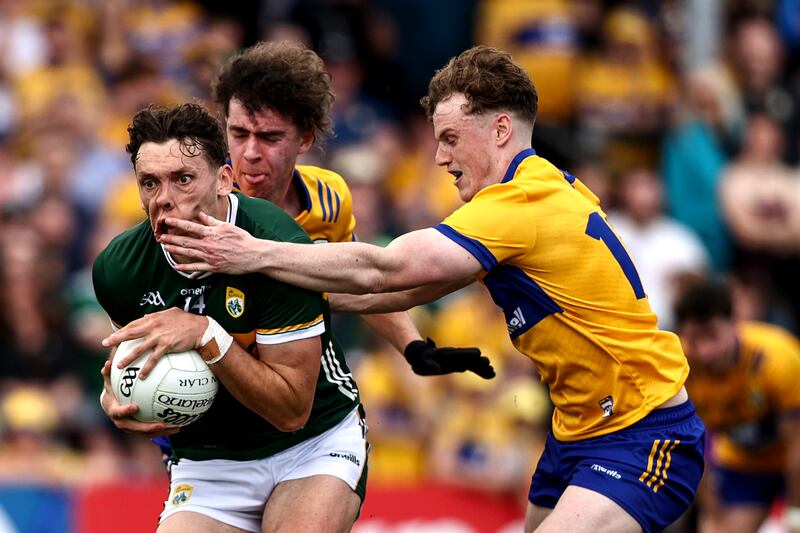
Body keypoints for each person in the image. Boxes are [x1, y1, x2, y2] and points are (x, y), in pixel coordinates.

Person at [160, 45, 705, 532]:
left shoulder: (516, 206)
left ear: (498, 131)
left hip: (643, 432)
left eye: (449, 139)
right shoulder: (535, 193)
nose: (440, 158)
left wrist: (253, 255)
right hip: (577, 432)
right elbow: (397, 293)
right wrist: (404, 342)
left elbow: (386, 271)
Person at [95, 103, 369, 533]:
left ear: (224, 180)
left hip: (311, 442)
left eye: (182, 179)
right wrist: (115, 397)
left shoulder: (275, 243)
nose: (163, 198)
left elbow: (291, 410)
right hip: (209, 461)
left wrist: (206, 333)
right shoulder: (119, 268)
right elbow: (125, 367)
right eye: (149, 183)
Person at [210, 40, 493, 379]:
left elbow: (356, 282)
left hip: (303, 386)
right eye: (239, 134)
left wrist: (413, 346)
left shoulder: (330, 197)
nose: (250, 152)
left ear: (304, 139)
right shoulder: (206, 208)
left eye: (269, 137)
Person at [674, 281, 800, 533]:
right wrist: (714, 512)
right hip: (743, 463)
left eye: (711, 336)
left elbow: (798, 443)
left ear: (733, 324)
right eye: (694, 339)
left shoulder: (778, 358)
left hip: (790, 456)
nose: (704, 351)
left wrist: (795, 513)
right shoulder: (679, 369)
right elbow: (688, 448)